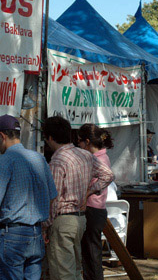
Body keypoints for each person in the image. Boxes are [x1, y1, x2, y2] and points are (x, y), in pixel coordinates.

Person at [0, 115, 58, 280]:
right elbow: (52, 196)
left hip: (12, 236)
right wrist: (43, 225)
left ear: (1, 136)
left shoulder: (4, 161)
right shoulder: (39, 158)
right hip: (36, 233)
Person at [43, 116, 114, 280]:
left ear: (50, 138)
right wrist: (89, 191)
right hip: (80, 219)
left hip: (63, 220)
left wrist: (45, 225)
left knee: (63, 273)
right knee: (75, 270)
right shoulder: (85, 154)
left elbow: (53, 197)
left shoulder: (58, 160)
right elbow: (108, 175)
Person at [77, 124, 117, 280]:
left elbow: (108, 177)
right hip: (96, 210)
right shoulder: (100, 156)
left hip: (93, 210)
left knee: (92, 255)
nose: (78, 145)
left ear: (87, 141)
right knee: (90, 255)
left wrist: (89, 190)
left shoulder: (98, 158)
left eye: (79, 141)